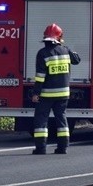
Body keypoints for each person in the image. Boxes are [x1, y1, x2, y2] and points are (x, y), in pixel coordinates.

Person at [31, 23, 80, 154]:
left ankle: (41, 148)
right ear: (59, 38)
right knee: (61, 119)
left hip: (46, 95)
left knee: (41, 120)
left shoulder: (42, 53)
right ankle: (63, 147)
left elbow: (40, 76)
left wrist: (36, 93)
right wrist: (67, 48)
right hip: (63, 94)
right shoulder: (65, 50)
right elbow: (77, 60)